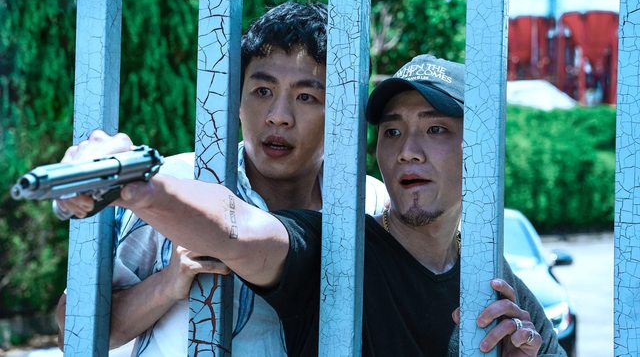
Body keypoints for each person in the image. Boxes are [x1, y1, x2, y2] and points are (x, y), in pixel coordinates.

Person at [58, 54, 566, 356]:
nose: (408, 149)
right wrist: (136, 183)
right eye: (392, 131)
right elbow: (243, 228)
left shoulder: (487, 276)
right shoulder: (341, 239)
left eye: (435, 129)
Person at [54, 1, 389, 356]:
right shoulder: (177, 182)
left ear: (343, 112)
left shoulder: (370, 204)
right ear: (238, 101)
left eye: (306, 97)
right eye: (262, 91)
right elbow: (73, 332)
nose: (278, 116)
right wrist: (166, 284)